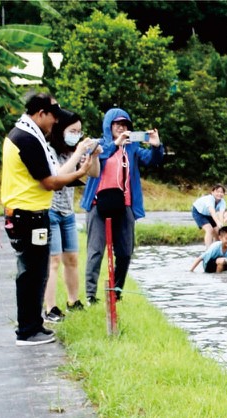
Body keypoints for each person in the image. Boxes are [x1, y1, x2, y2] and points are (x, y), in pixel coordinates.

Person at [1, 94, 97, 344]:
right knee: (32, 273)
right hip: (28, 215)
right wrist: (81, 172)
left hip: (29, 214)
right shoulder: (27, 139)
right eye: (53, 117)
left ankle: (34, 325)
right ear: (41, 113)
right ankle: (27, 330)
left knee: (36, 271)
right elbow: (50, 182)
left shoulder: (24, 134)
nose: (55, 123)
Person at [81, 107, 161, 306]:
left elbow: (152, 160)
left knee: (125, 252)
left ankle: (116, 292)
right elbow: (97, 157)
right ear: (109, 126)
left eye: (125, 124)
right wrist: (115, 144)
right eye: (117, 124)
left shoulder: (132, 147)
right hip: (97, 203)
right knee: (95, 251)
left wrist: (156, 146)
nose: (121, 128)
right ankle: (91, 295)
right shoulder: (98, 144)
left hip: (124, 204)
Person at [41, 107, 93, 323]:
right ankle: (50, 308)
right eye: (73, 131)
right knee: (53, 260)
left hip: (68, 212)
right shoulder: (49, 150)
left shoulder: (71, 152)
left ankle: (73, 301)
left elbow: (93, 174)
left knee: (71, 258)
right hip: (50, 210)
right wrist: (79, 153)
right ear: (61, 129)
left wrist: (93, 156)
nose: (77, 136)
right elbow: (58, 175)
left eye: (79, 132)